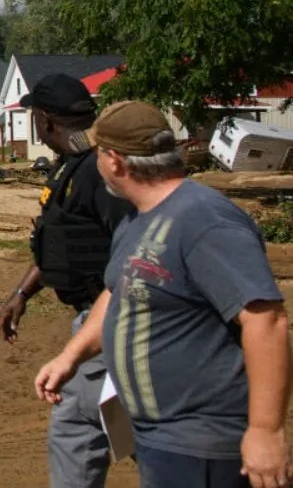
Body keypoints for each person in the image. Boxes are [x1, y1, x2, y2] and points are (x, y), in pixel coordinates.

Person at [35, 101, 292, 488]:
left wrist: (265, 430)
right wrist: (71, 356)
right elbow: (120, 291)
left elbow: (266, 321)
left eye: (98, 153)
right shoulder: (139, 218)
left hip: (205, 445)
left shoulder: (205, 221)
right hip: (160, 439)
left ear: (115, 161)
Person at [0, 73, 134, 488]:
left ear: (43, 119)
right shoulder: (71, 168)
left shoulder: (99, 171)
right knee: (91, 427)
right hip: (95, 326)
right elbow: (61, 241)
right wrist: (23, 292)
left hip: (110, 324)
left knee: (102, 429)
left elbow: (132, 249)